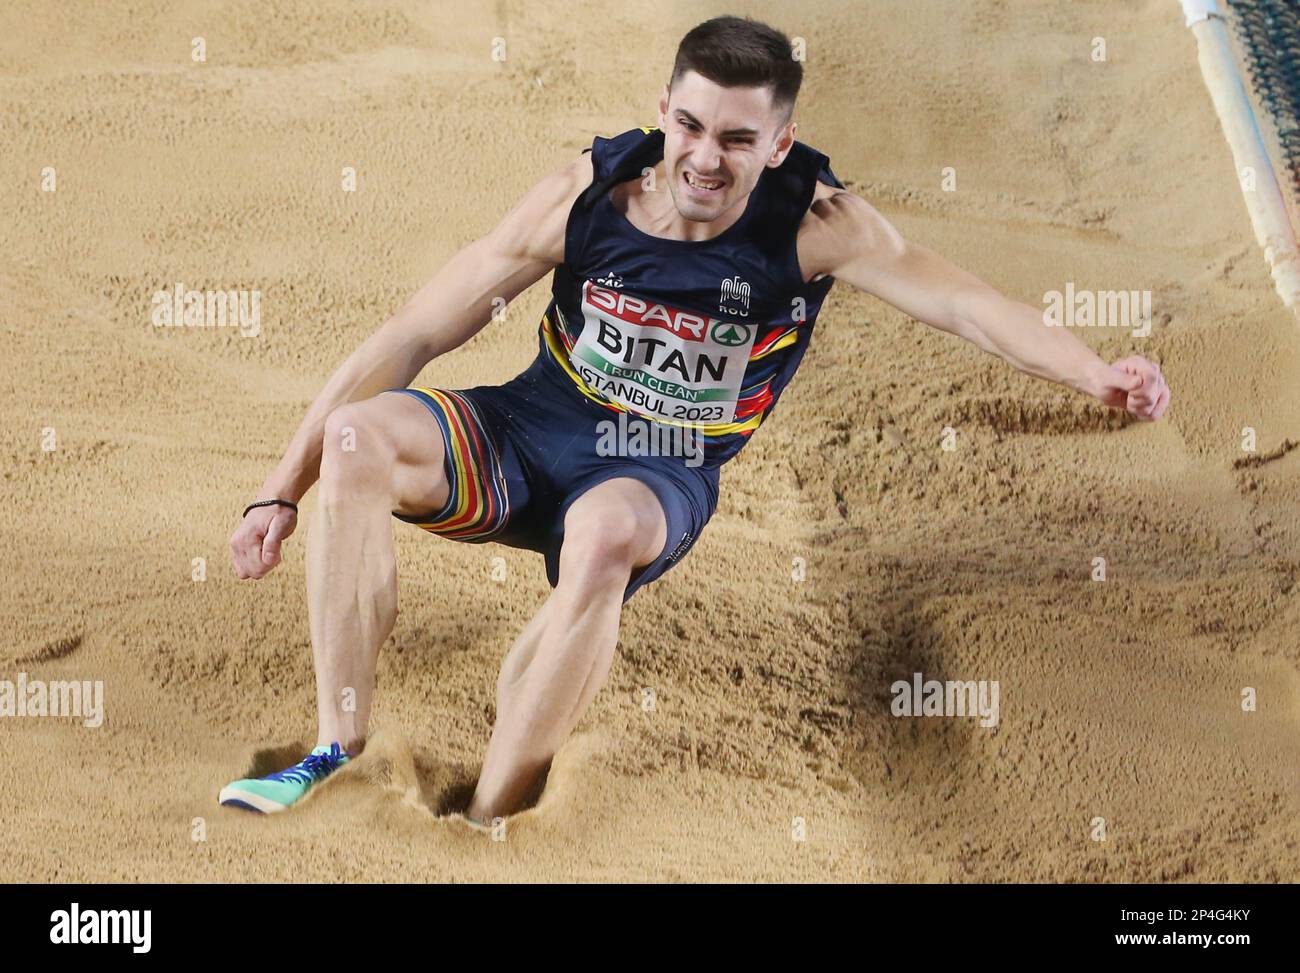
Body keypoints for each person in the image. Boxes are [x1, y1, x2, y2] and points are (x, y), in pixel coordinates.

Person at [219, 15, 1170, 823]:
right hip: (529, 429)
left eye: (738, 140)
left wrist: (1096, 374)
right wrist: (278, 489)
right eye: (690, 125)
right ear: (665, 109)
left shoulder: (818, 225)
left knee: (604, 538)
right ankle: (333, 747)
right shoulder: (587, 196)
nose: (705, 158)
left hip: (656, 468)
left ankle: (492, 817)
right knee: (356, 438)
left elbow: (969, 306)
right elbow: (417, 329)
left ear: (780, 145)